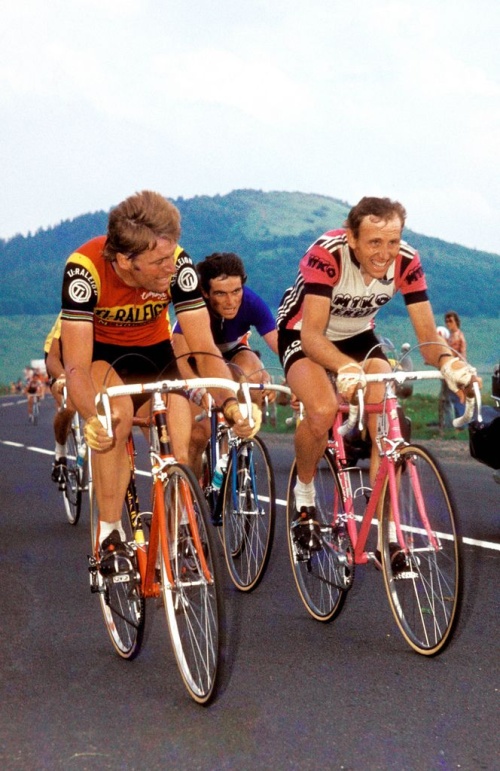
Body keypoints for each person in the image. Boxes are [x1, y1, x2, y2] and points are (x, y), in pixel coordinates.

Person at [59, 190, 253, 574]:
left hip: (156, 356)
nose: (172, 265)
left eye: (172, 254)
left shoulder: (178, 264)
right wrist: (91, 417)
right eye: (159, 260)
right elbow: (77, 367)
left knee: (179, 442)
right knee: (113, 419)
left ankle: (180, 530)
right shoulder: (85, 268)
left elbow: (203, 348)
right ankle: (110, 533)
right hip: (103, 359)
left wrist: (231, 403)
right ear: (126, 260)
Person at [276, 196, 477, 561]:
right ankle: (304, 499)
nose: (385, 253)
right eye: (374, 242)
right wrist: (345, 368)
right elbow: (314, 337)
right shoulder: (328, 253)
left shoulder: (407, 261)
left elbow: (429, 342)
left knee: (386, 418)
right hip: (304, 332)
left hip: (357, 336)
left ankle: (387, 533)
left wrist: (451, 364)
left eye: (392, 242)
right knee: (321, 410)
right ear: (352, 238)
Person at [172, 252, 279, 472]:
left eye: (236, 291)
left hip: (231, 353)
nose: (231, 302)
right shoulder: (194, 307)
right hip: (195, 358)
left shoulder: (251, 302)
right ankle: (195, 498)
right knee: (199, 434)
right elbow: (181, 361)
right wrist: (198, 391)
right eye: (220, 294)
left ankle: (243, 443)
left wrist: (292, 381)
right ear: (205, 292)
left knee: (251, 368)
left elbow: (282, 346)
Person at [43, 314, 78, 482]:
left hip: (90, 355)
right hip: (60, 358)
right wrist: (62, 377)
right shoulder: (69, 314)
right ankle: (60, 454)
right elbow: (53, 358)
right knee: (69, 405)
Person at [439, 311, 467, 427]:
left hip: (456, 370)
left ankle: (460, 424)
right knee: (446, 398)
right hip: (448, 370)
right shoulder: (449, 337)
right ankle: (449, 424)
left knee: (456, 397)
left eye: (450, 321)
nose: (448, 324)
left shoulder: (458, 336)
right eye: (446, 321)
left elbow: (462, 354)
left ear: (456, 322)